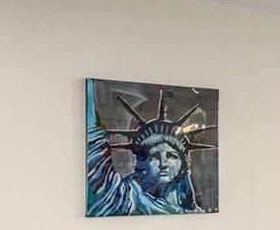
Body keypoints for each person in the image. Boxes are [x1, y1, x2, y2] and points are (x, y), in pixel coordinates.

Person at [86, 79, 216, 216]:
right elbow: (94, 150)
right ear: (143, 162)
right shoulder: (125, 197)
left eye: (171, 156)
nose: (163, 164)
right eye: (154, 157)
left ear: (182, 163)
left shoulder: (189, 207)